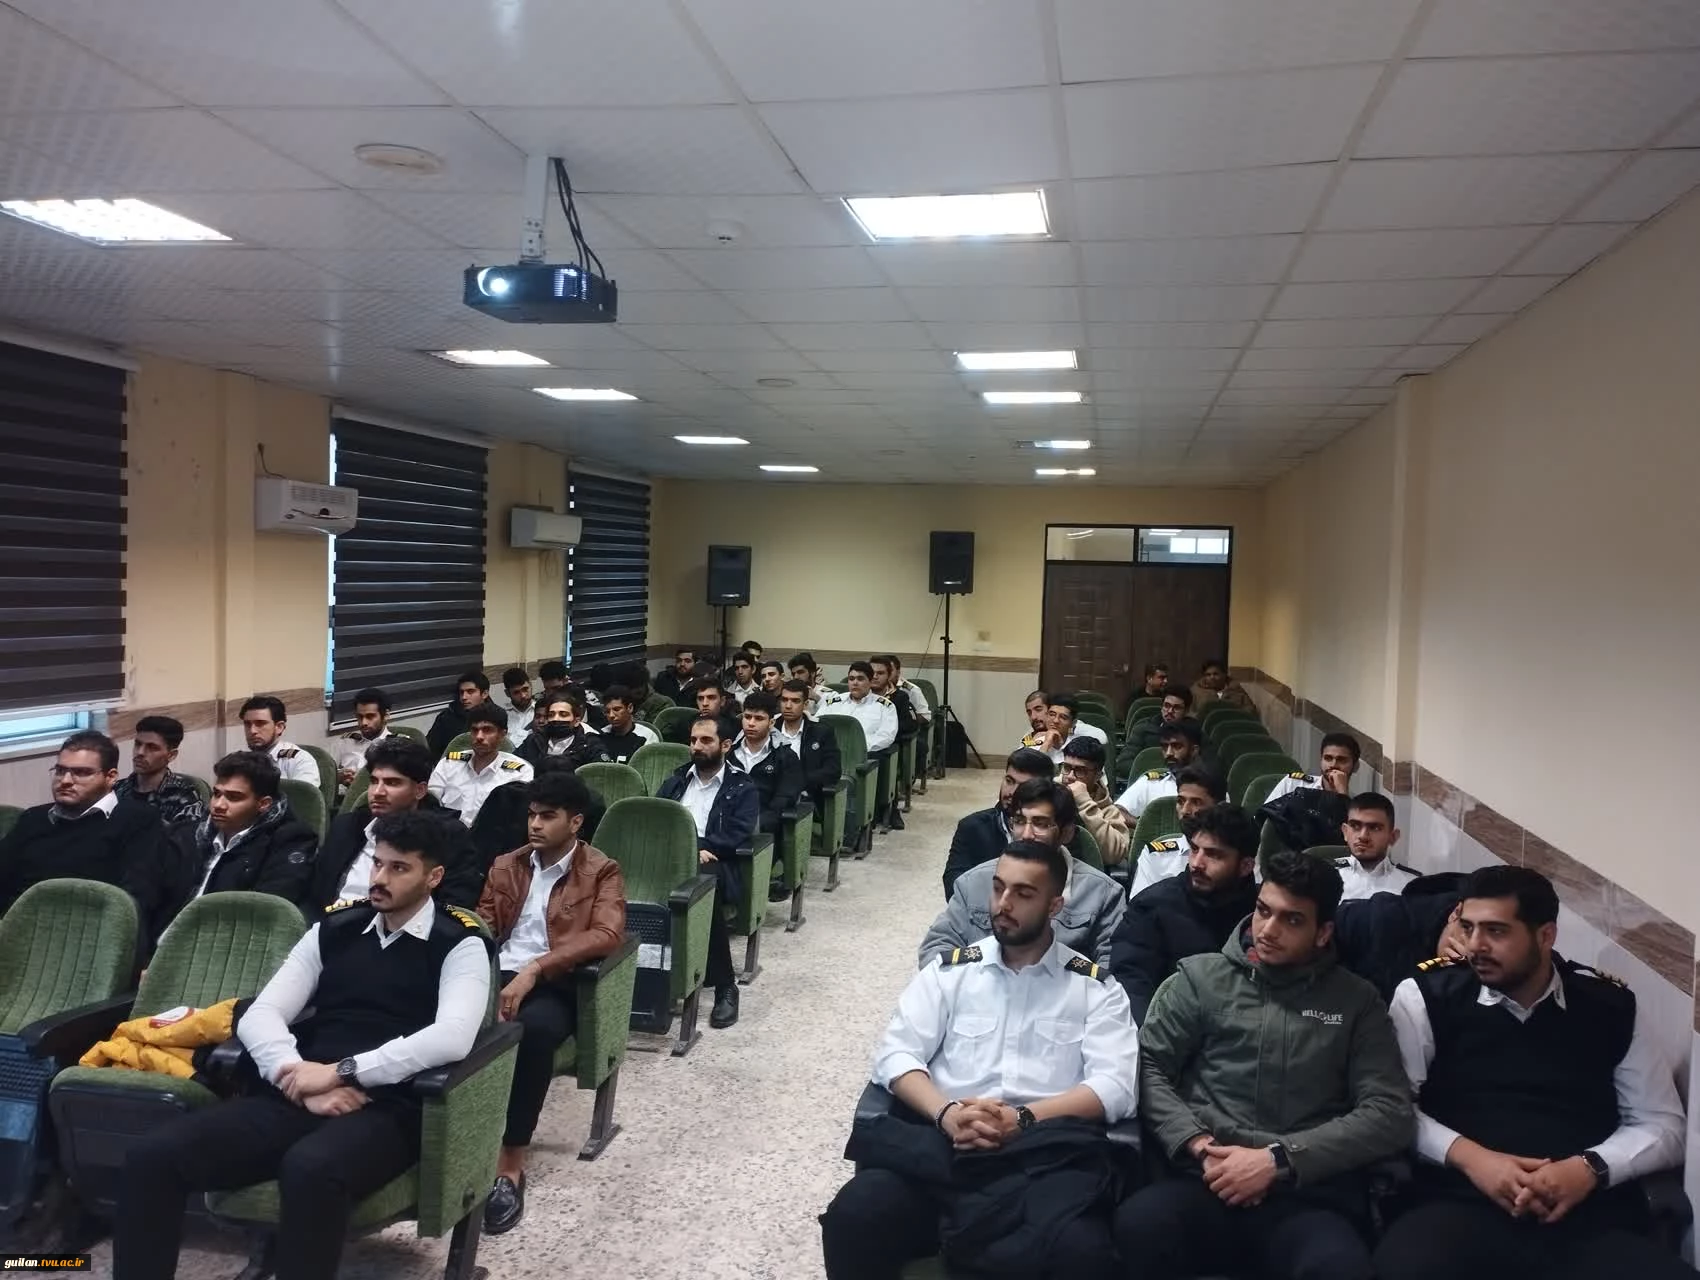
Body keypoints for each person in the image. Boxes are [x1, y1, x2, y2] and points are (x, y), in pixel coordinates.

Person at [114, 812, 492, 1280]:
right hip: (300, 1089)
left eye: (399, 868)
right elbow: (263, 1013)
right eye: (377, 863)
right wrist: (293, 1076)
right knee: (152, 1157)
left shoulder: (459, 941)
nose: (379, 878)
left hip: (390, 1105)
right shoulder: (336, 927)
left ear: (433, 877)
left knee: (311, 1168)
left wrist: (341, 1072)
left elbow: (453, 1035)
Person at [820, 840, 1139, 1280]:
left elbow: (1116, 1086)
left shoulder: (1094, 988)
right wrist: (947, 1113)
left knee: (1083, 1253)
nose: (1003, 904)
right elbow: (895, 1053)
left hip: (1044, 1159)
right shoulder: (952, 972)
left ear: (1055, 906)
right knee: (856, 1214)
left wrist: (1022, 1119)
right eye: (998, 888)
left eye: (1023, 894)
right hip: (945, 1149)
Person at [1377, 866, 1690, 1280]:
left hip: (1584, 1214)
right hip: (1456, 1203)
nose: (1475, 945)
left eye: (1496, 931)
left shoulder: (1609, 1007)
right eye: (1468, 927)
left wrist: (1589, 1169)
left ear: (1545, 935)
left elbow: (1662, 1124)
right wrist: (1473, 1160)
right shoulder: (1426, 996)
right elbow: (1392, 1108)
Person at [1113, 850, 1414, 1280]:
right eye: (1263, 911)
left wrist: (1277, 1160)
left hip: (1304, 1194)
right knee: (1138, 1228)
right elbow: (1149, 1068)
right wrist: (1198, 1145)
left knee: (1340, 1267)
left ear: (1323, 933)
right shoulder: (1200, 980)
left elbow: (1388, 1112)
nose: (1268, 930)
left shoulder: (1356, 1001)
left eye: (1292, 920)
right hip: (1204, 1178)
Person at [476, 771, 627, 1234]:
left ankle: (509, 1163)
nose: (535, 825)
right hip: (498, 972)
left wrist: (535, 969)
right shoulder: (506, 864)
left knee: (533, 1033)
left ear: (575, 822)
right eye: (532, 815)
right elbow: (483, 924)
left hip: (557, 979)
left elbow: (607, 934)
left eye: (547, 816)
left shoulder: (601, 870)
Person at [921, 779, 1124, 970]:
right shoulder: (973, 882)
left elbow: (1114, 968)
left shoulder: (1103, 894)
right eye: (1019, 821)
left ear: (1067, 833)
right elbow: (936, 948)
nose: (1026, 835)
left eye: (1040, 824)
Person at [0, 731, 179, 947]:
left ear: (110, 777)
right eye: (60, 771)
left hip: (88, 940)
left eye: (81, 773)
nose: (65, 781)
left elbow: (136, 900)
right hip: (20, 932)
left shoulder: (139, 822)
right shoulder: (33, 818)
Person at [1109, 803, 1260, 1023]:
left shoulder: (1265, 913)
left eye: (1213, 855)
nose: (1196, 864)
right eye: (1195, 849)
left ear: (1245, 866)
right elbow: (1131, 985)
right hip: (1170, 1028)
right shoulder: (1152, 905)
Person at [656, 715, 760, 1031]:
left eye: (705, 740)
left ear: (725, 745)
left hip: (718, 864)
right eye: (693, 741)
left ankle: (725, 986)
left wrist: (697, 848)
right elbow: (657, 820)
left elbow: (736, 835)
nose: (696, 747)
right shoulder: (676, 781)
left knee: (703, 888)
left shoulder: (742, 786)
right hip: (672, 858)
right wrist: (690, 848)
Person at [309, 739, 484, 913]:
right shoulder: (346, 826)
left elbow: (453, 908)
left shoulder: (448, 836)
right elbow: (316, 894)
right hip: (332, 921)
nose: (377, 792)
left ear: (419, 790)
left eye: (392, 783)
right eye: (374, 781)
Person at [178, 751, 317, 905]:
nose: (218, 805)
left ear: (263, 804)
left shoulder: (289, 840)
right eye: (217, 794)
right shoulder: (193, 832)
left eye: (234, 797)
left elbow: (268, 907)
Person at [940, 747, 1054, 899]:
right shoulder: (972, 827)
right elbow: (953, 888)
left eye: (1023, 786)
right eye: (1009, 781)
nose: (1011, 792)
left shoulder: (1054, 830)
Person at [1125, 766, 1225, 898]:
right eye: (1180, 801)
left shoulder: (1232, 857)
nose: (1185, 811)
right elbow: (1140, 907)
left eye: (1196, 802)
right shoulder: (1156, 856)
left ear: (1219, 807)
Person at [428, 703, 532, 828]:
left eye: (487, 730)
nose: (479, 737)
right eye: (474, 730)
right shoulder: (449, 763)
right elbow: (430, 803)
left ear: (502, 735)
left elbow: (519, 819)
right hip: (448, 832)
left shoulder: (519, 772)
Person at [115, 715, 206, 831]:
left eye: (152, 748)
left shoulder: (184, 795)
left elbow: (186, 839)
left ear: (171, 755)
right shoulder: (117, 789)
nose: (140, 752)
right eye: (138, 744)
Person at [730, 691, 805, 834]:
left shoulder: (786, 757)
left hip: (763, 830)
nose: (751, 723)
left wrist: (754, 826)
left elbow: (783, 801)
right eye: (747, 717)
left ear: (771, 723)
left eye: (759, 718)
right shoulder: (728, 753)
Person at [1059, 737, 1130, 868]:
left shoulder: (1107, 809)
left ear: (1098, 775)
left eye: (1080, 770)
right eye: (1067, 767)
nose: (1070, 776)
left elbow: (1115, 855)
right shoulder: (1048, 790)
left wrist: (1085, 803)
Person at [1113, 718, 1203, 821]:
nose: (1168, 753)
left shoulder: (1210, 785)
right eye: (1165, 747)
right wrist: (1145, 827)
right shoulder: (1151, 782)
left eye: (1177, 746)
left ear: (1194, 750)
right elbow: (1117, 811)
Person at [774, 678, 842, 802]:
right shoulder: (770, 728)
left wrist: (801, 782)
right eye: (784, 700)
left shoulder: (821, 731)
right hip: (773, 794)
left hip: (808, 796)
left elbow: (833, 770)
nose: (788, 706)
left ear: (805, 704)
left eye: (795, 701)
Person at [515, 690, 610, 772]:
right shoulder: (534, 740)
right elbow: (514, 765)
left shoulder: (590, 744)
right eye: (551, 715)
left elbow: (601, 776)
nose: (556, 718)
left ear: (576, 721)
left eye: (563, 714)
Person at [819, 661, 898, 757]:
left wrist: (857, 747)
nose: (855, 683)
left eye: (860, 679)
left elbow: (886, 736)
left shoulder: (885, 706)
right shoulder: (833, 702)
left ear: (870, 681)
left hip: (864, 756)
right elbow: (816, 725)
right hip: (829, 753)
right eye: (851, 679)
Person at [239, 695, 322, 787]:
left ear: (279, 727)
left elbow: (303, 794)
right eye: (247, 724)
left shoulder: (299, 760)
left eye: (260, 723)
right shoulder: (241, 762)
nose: (252, 731)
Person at [1265, 732, 1361, 804]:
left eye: (1341, 760)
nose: (1333, 765)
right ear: (1321, 760)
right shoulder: (1293, 783)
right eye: (1328, 758)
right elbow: (1264, 817)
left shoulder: (1355, 804)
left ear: (1356, 766)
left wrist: (1342, 794)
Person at [332, 688, 394, 789]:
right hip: (341, 796)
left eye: (370, 716)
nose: (364, 722)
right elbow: (326, 772)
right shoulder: (345, 742)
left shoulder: (395, 748)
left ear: (386, 716)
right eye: (360, 717)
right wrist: (337, 777)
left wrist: (362, 783)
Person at [425, 671, 492, 761]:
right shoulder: (446, 717)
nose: (464, 697)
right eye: (461, 692)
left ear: (484, 694)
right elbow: (430, 748)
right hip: (450, 764)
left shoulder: (495, 718)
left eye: (470, 692)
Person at [1124, 687, 1192, 759]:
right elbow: (1125, 760)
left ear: (1186, 711)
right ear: (1161, 707)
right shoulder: (1143, 728)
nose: (1170, 711)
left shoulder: (1193, 731)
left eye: (1176, 707)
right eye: (1167, 706)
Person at [597, 685, 658, 763]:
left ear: (630, 708)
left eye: (617, 709)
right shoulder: (600, 735)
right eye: (607, 711)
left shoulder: (647, 736)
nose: (611, 715)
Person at [1189, 658, 1254, 713]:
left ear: (1224, 675)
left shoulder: (1236, 690)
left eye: (1216, 674)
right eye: (1208, 675)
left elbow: (1250, 710)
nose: (1212, 677)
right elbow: (1190, 712)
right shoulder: (1196, 691)